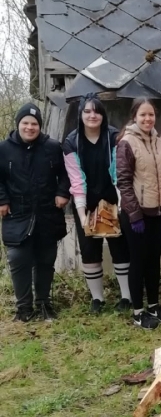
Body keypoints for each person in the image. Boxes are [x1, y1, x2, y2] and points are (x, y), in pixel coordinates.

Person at [0, 103, 70, 321]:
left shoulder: (52, 147)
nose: (30, 127)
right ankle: (23, 308)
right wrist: (2, 199)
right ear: (18, 124)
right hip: (17, 212)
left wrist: (62, 193)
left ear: (40, 126)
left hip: (47, 211)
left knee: (45, 259)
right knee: (18, 257)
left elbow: (67, 174)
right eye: (25, 123)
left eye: (34, 124)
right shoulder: (4, 149)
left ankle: (43, 304)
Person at [63, 96, 131, 314]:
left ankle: (126, 297)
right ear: (80, 115)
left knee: (120, 247)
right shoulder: (71, 142)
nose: (92, 116)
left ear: (103, 115)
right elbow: (76, 181)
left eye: (97, 112)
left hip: (114, 199)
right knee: (89, 249)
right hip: (87, 201)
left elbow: (120, 175)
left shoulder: (114, 137)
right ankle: (97, 299)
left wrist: (121, 206)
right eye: (87, 112)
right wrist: (82, 216)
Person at [116, 98, 161, 330]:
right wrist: (134, 213)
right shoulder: (126, 142)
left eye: (151, 115)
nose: (148, 119)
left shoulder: (160, 143)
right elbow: (123, 181)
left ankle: (153, 305)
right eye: (143, 115)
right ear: (134, 117)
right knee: (138, 261)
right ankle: (138, 310)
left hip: (159, 212)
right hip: (136, 215)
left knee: (153, 260)